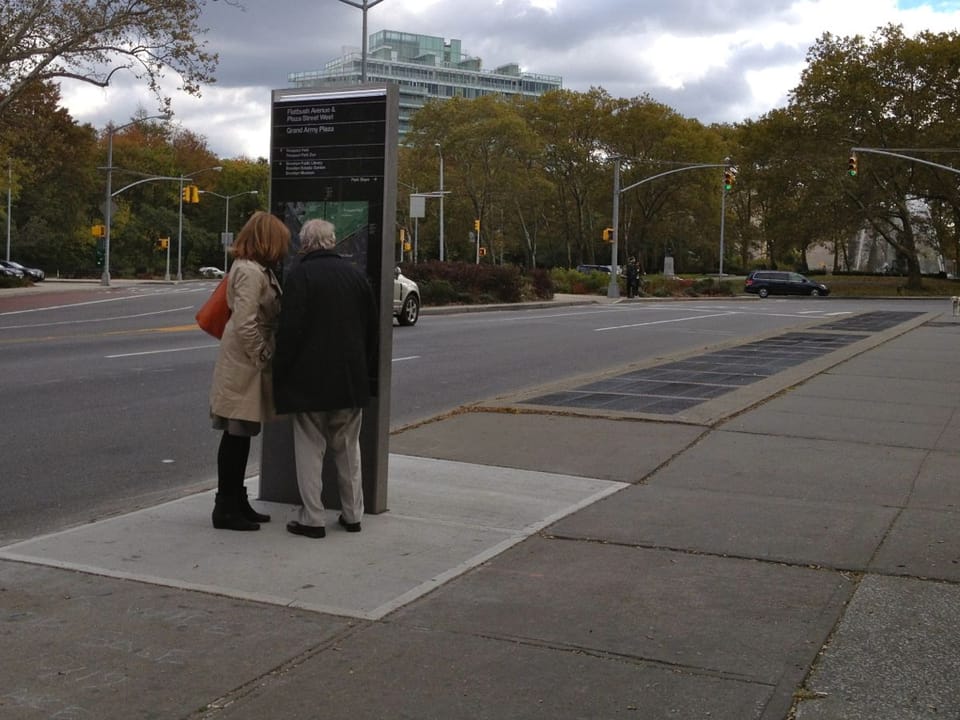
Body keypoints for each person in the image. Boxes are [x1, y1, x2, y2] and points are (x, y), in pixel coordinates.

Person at [273, 218, 378, 539]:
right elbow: (371, 331)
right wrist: (366, 374)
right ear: (332, 242)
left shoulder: (300, 276)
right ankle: (352, 514)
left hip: (308, 382)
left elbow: (289, 332)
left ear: (305, 243)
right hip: (349, 379)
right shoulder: (355, 277)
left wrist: (281, 374)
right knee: (348, 451)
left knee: (310, 450)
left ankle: (313, 518)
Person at [208, 210, 289, 531]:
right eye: (280, 241)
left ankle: (235, 500)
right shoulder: (251, 273)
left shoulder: (254, 269)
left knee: (241, 435)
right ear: (267, 241)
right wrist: (264, 354)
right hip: (244, 365)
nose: (284, 247)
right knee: (236, 435)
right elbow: (245, 322)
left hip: (244, 363)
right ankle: (226, 507)